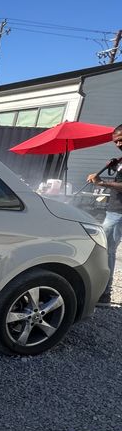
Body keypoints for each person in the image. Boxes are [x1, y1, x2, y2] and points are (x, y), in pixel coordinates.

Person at [87, 123, 122, 305]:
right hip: (113, 210)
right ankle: (103, 291)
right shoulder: (120, 159)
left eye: (121, 140)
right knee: (106, 248)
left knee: (107, 250)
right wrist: (114, 166)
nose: (119, 144)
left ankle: (104, 294)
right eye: (116, 141)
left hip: (119, 213)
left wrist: (103, 183)